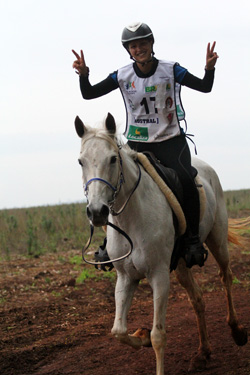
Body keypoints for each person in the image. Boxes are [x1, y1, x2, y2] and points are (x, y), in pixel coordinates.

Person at [72, 22, 219, 268]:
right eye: (133, 45)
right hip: (137, 144)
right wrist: (84, 75)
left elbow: (205, 87)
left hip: (171, 142)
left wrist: (209, 69)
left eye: (142, 43)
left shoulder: (171, 70)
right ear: (128, 50)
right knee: (113, 183)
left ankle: (193, 238)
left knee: (185, 178)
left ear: (151, 45)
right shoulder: (122, 75)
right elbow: (89, 94)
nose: (138, 48)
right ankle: (110, 244)